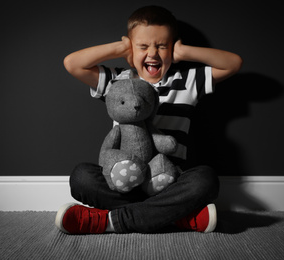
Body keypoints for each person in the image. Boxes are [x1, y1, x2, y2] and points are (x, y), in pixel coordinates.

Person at [55, 6, 242, 234]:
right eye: (143, 46)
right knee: (81, 177)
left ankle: (109, 221)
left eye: (162, 46)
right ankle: (174, 218)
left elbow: (233, 63)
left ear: (171, 48)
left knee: (206, 180)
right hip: (123, 183)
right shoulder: (119, 80)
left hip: (168, 181)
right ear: (132, 49)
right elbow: (72, 64)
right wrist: (121, 47)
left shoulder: (187, 81)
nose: (152, 53)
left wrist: (184, 52)